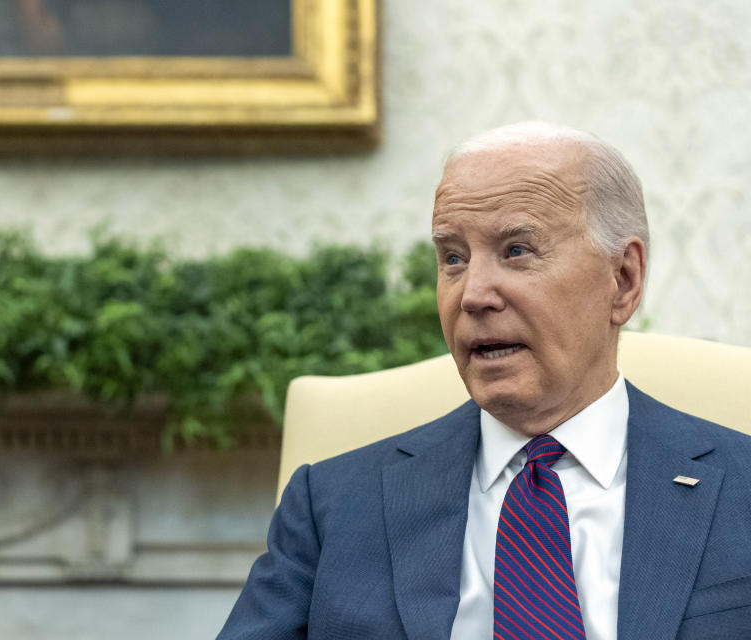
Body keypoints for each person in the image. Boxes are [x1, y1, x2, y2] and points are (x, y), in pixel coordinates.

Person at [217, 122, 751, 639]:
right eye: (452, 258)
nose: (472, 295)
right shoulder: (329, 506)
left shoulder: (740, 488)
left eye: (516, 251)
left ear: (623, 279)